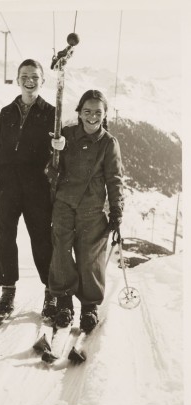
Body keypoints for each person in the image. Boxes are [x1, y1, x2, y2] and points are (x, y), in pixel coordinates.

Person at [0, 59, 57, 318]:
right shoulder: (6, 112)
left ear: (43, 80)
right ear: (18, 78)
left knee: (42, 239)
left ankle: (51, 293)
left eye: (35, 76)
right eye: (25, 75)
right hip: (7, 184)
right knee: (5, 239)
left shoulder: (51, 113)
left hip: (36, 184)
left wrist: (61, 148)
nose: (29, 80)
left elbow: (58, 152)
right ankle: (7, 291)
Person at [46, 89, 124, 333]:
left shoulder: (109, 143)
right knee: (60, 251)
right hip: (64, 204)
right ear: (79, 112)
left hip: (92, 208)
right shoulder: (66, 135)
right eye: (87, 112)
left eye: (97, 113)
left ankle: (89, 306)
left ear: (104, 115)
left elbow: (114, 179)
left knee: (90, 257)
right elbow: (50, 168)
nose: (92, 117)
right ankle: (64, 300)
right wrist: (55, 149)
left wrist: (116, 209)